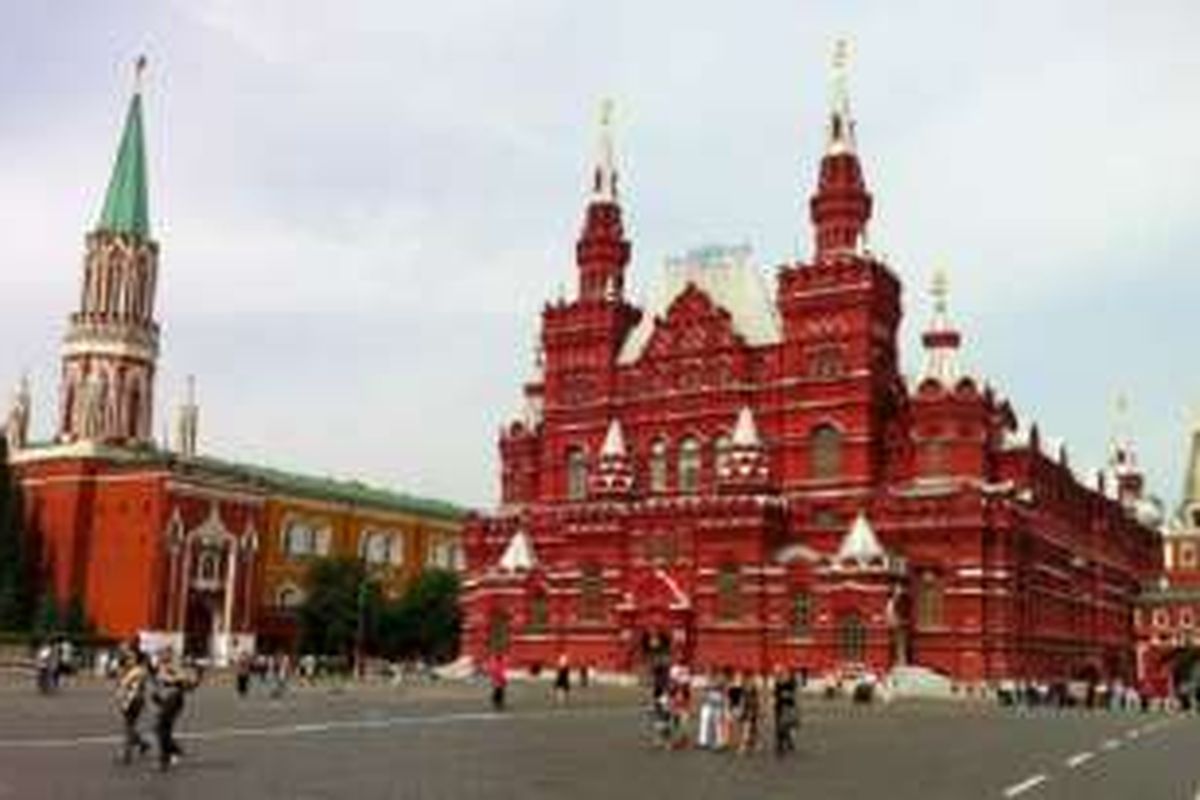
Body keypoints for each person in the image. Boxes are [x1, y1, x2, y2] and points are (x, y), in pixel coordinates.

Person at [151, 649, 198, 771]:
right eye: (161, 654)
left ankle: (165, 759)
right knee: (162, 730)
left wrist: (173, 679)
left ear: (170, 655)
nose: (161, 656)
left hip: (174, 699)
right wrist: (156, 696)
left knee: (161, 729)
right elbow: (159, 684)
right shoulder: (161, 667)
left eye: (164, 654)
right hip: (166, 700)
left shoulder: (174, 666)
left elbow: (187, 681)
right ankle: (173, 750)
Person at [115, 650, 151, 764]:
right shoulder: (126, 670)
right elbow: (120, 685)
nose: (128, 660)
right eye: (127, 658)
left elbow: (128, 685)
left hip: (135, 700)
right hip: (126, 700)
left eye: (131, 658)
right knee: (130, 726)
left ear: (136, 660)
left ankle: (126, 754)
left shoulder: (139, 671)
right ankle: (143, 744)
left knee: (128, 727)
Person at [697, 670, 726, 750]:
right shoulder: (704, 679)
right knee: (704, 721)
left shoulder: (721, 677)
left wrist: (712, 684)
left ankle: (719, 742)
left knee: (718, 723)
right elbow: (702, 689)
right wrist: (708, 685)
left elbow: (721, 685)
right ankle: (703, 741)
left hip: (717, 703)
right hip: (707, 703)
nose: (709, 671)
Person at [773, 665, 798, 757]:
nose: (778, 674)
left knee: (786, 726)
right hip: (779, 707)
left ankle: (787, 742)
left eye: (779, 672)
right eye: (776, 673)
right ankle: (780, 745)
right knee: (779, 726)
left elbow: (793, 694)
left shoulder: (791, 682)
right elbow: (776, 694)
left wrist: (786, 695)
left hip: (788, 707)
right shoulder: (778, 683)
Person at [738, 674, 762, 756]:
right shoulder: (744, 692)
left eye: (751, 683)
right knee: (746, 728)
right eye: (748, 683)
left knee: (754, 729)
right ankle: (743, 745)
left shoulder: (755, 693)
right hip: (746, 711)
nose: (749, 685)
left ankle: (754, 743)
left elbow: (758, 702)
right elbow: (742, 702)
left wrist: (759, 711)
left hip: (753, 711)